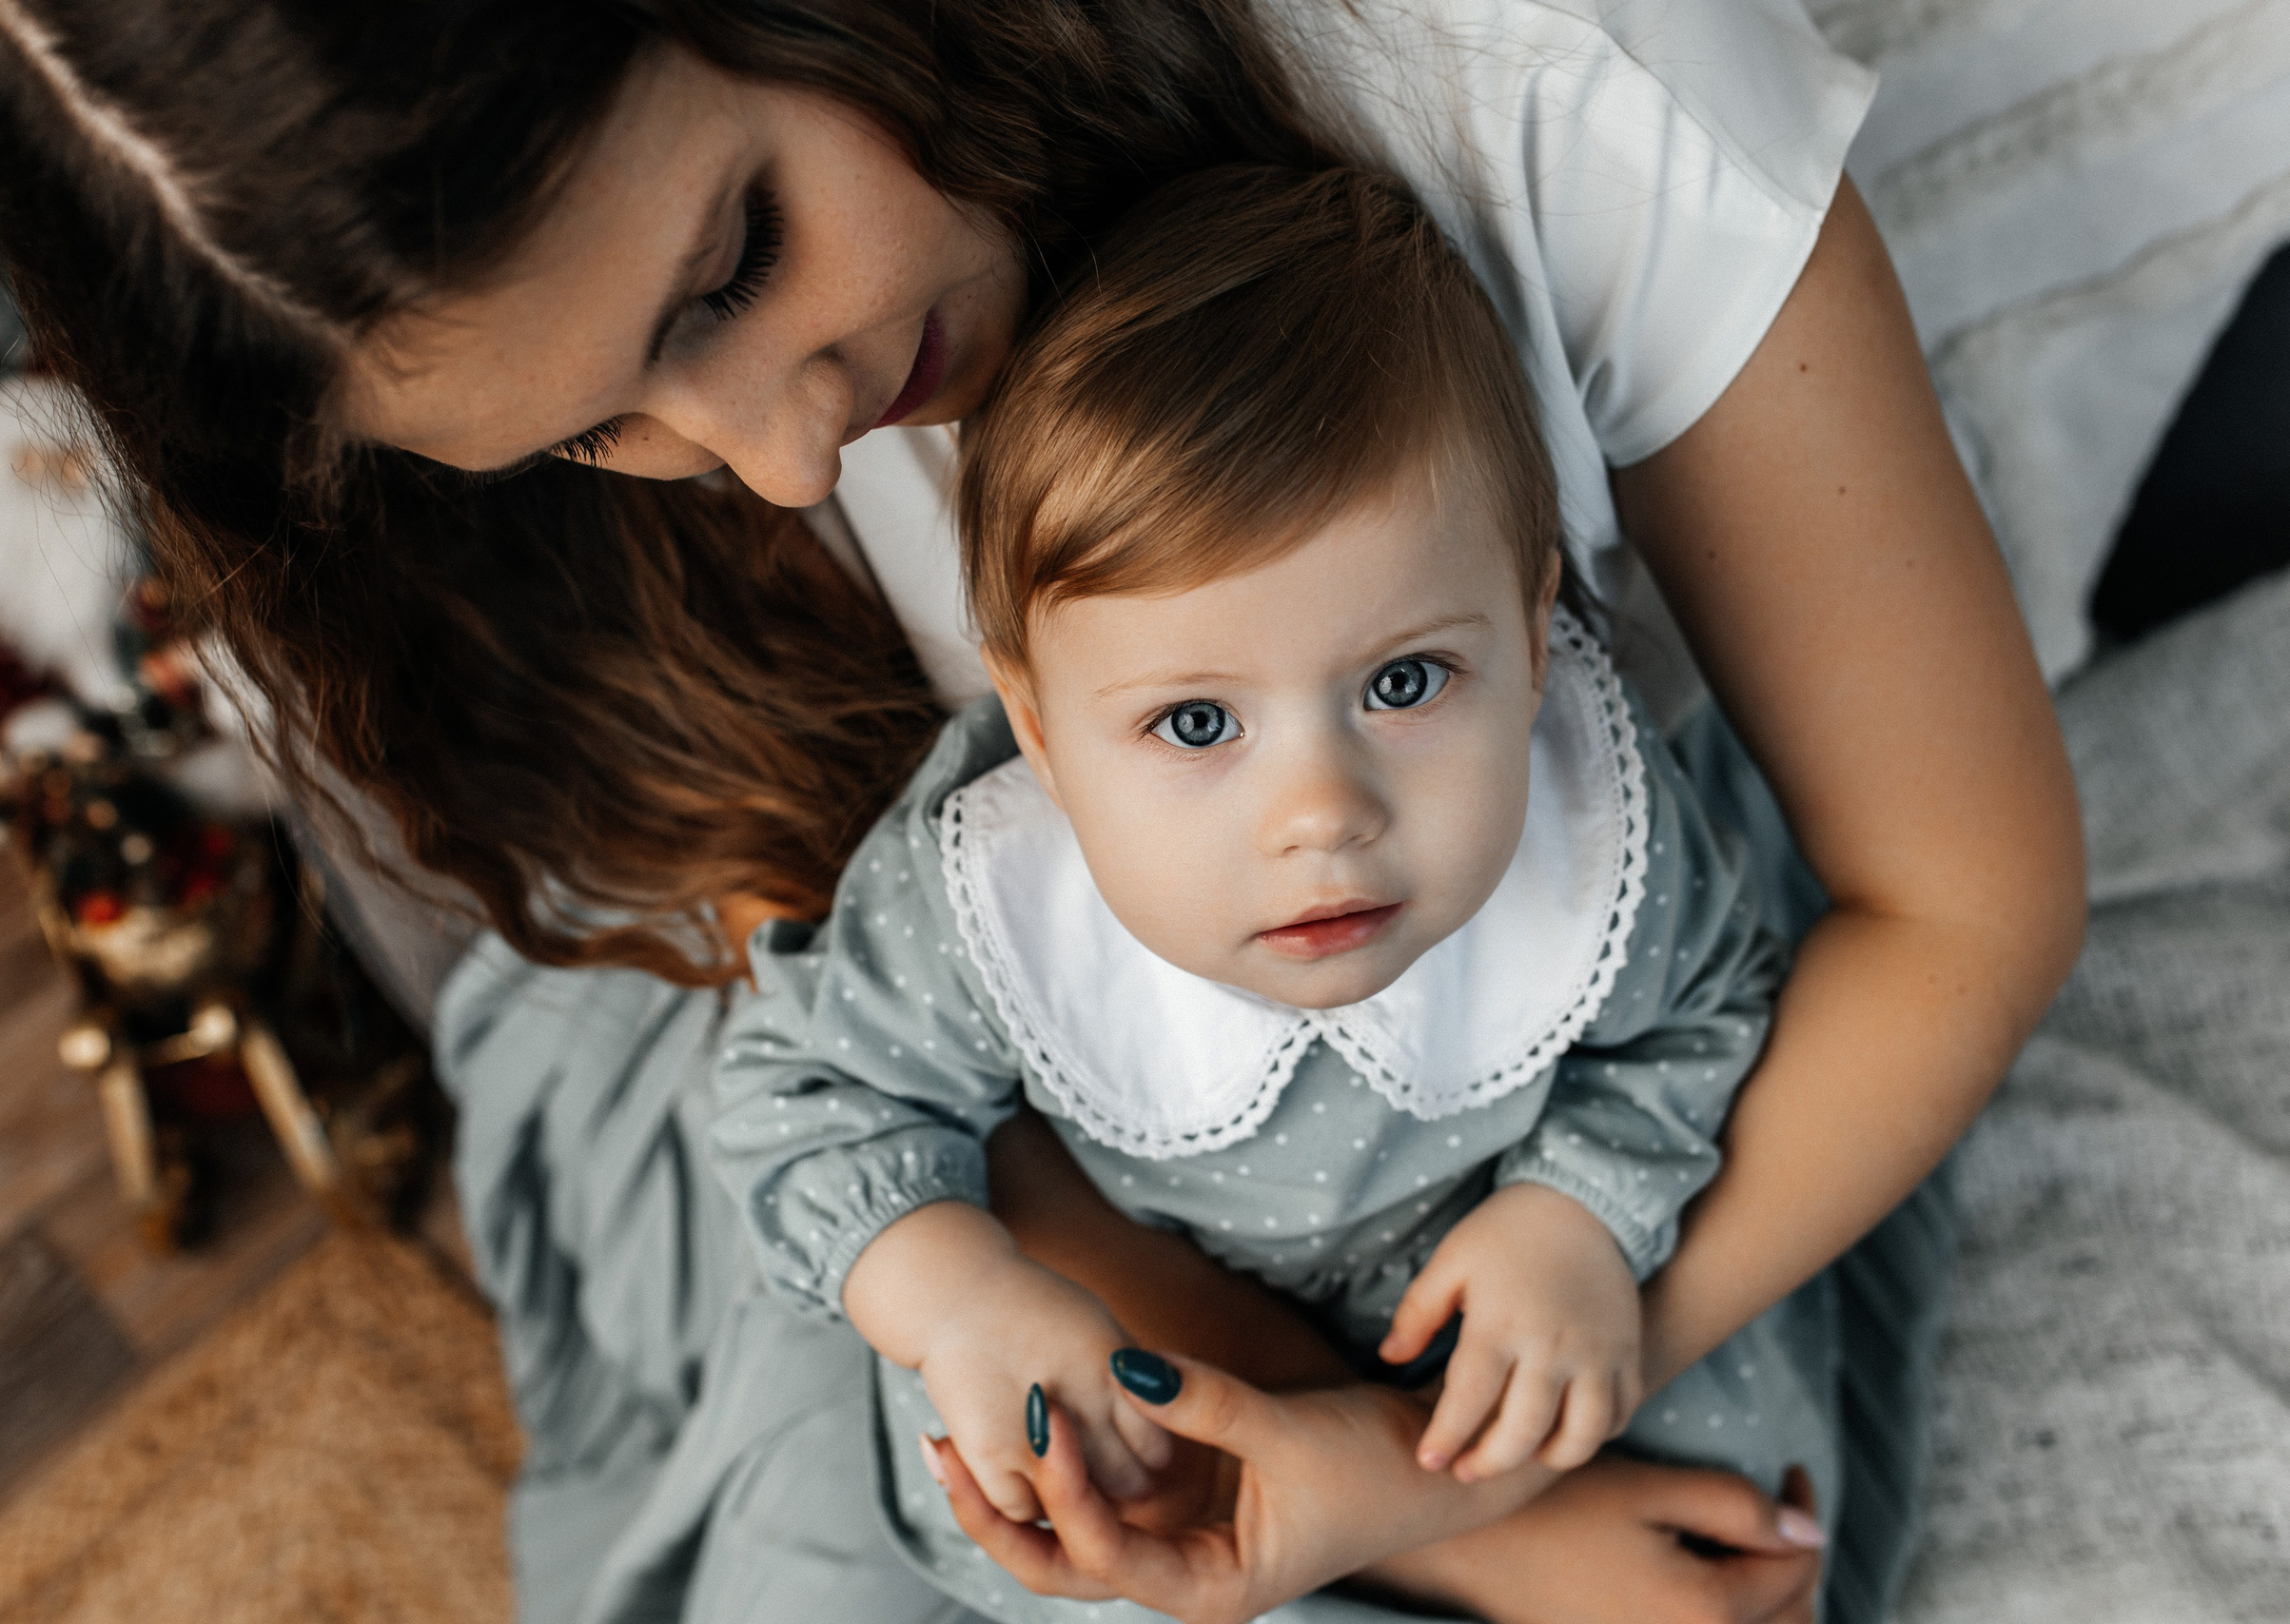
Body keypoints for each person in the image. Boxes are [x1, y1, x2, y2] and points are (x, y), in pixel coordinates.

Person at [0, 2, 2084, 1622]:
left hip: (1516, 1253)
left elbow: (1956, 896)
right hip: (1099, 1214)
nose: (774, 459)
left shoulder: (1524, 71)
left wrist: (1437, 1451)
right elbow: (925, 1078)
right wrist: (1453, 1513)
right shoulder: (894, 796)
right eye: (597, 431)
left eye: (736, 262)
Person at [714, 167, 1830, 1599]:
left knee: (1729, 1526)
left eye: (1407, 681)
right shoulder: (987, 894)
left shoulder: (1592, 821)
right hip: (1183, 1386)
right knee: (1072, 1529)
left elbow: (1709, 1010)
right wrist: (961, 1295)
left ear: (1535, 633)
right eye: (1195, 726)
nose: (1321, 816)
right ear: (1045, 733)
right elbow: (803, 1098)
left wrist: (1580, 1215)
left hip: (1504, 1332)